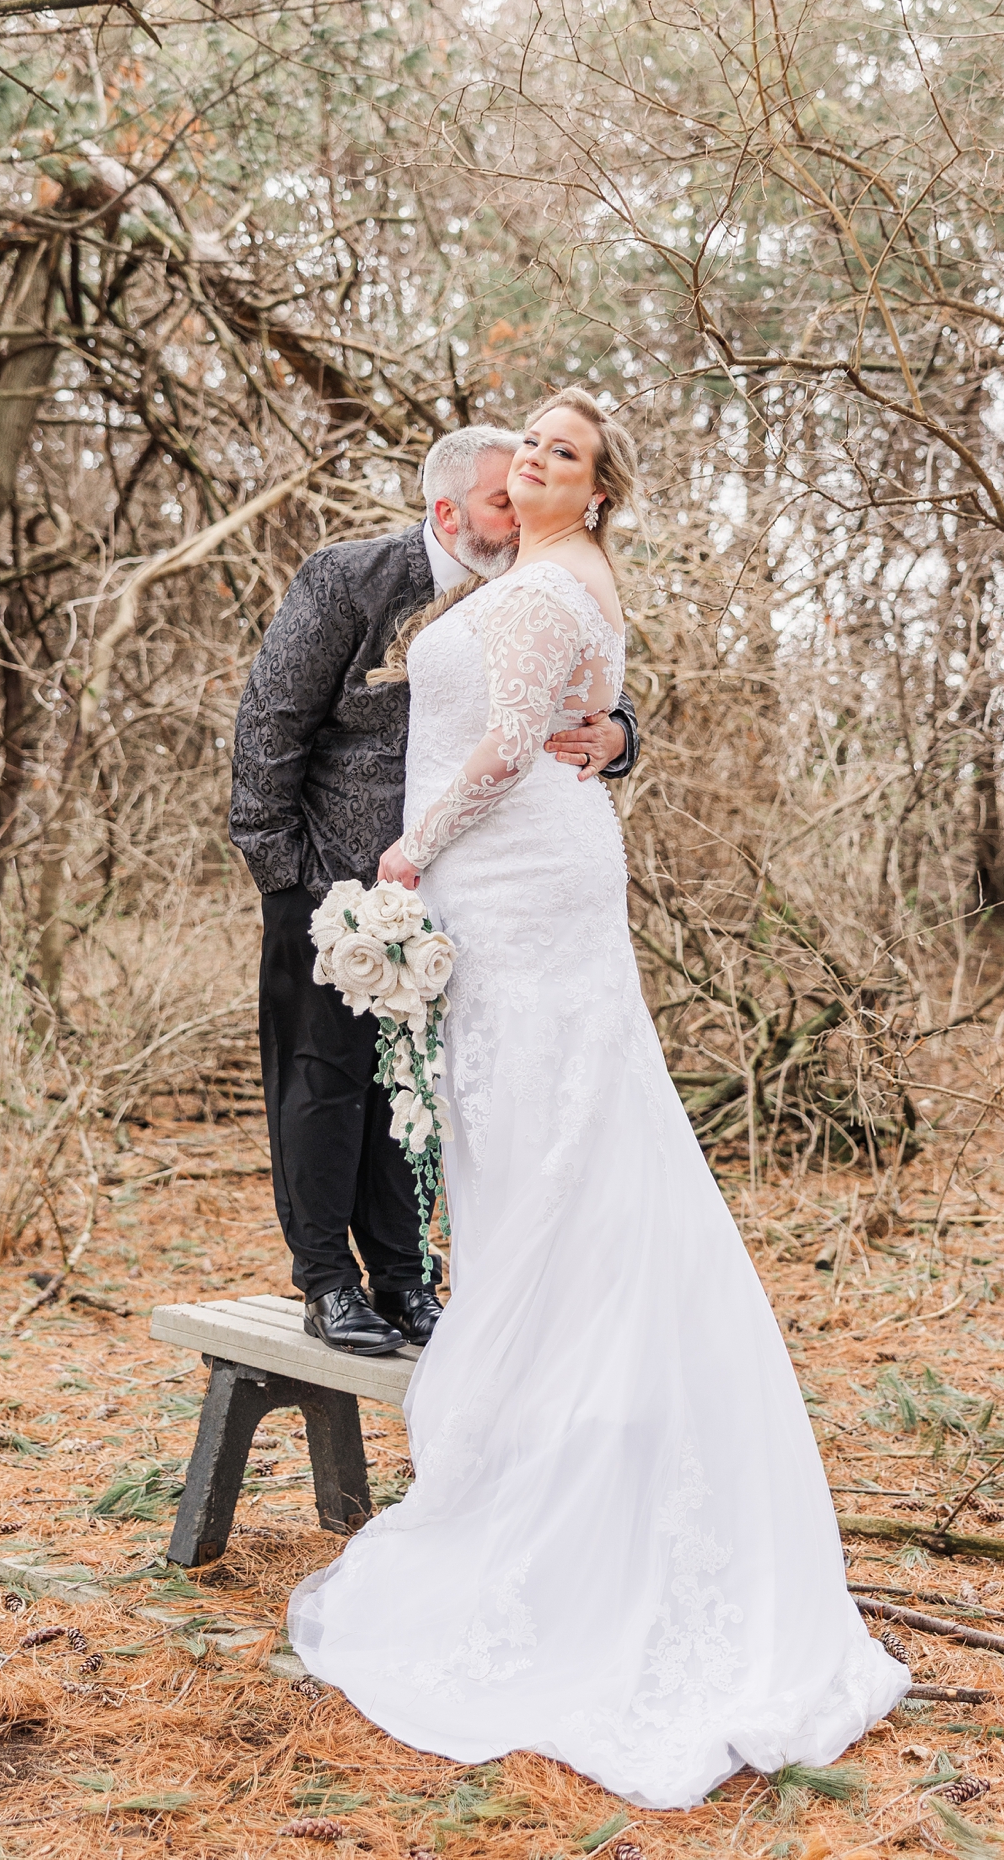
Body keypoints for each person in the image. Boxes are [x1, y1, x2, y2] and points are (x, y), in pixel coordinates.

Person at [287, 390, 909, 1809]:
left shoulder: (556, 581)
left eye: (561, 453)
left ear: (598, 488)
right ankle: (539, 1419)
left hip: (513, 870)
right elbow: (572, 714)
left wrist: (407, 851)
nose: (533, 461)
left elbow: (509, 746)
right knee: (525, 1145)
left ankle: (565, 1464)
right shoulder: (525, 578)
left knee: (565, 1140)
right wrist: (595, 741)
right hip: (509, 883)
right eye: (523, 444)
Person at [229, 425, 641, 1357]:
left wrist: (621, 735)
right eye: (502, 499)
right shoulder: (350, 579)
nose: (519, 510)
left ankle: (408, 1279)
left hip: (468, 891)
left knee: (417, 1092)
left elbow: (580, 693)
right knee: (325, 1081)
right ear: (448, 511)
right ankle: (328, 1284)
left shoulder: (536, 583)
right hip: (334, 879)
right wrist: (284, 877)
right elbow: (269, 726)